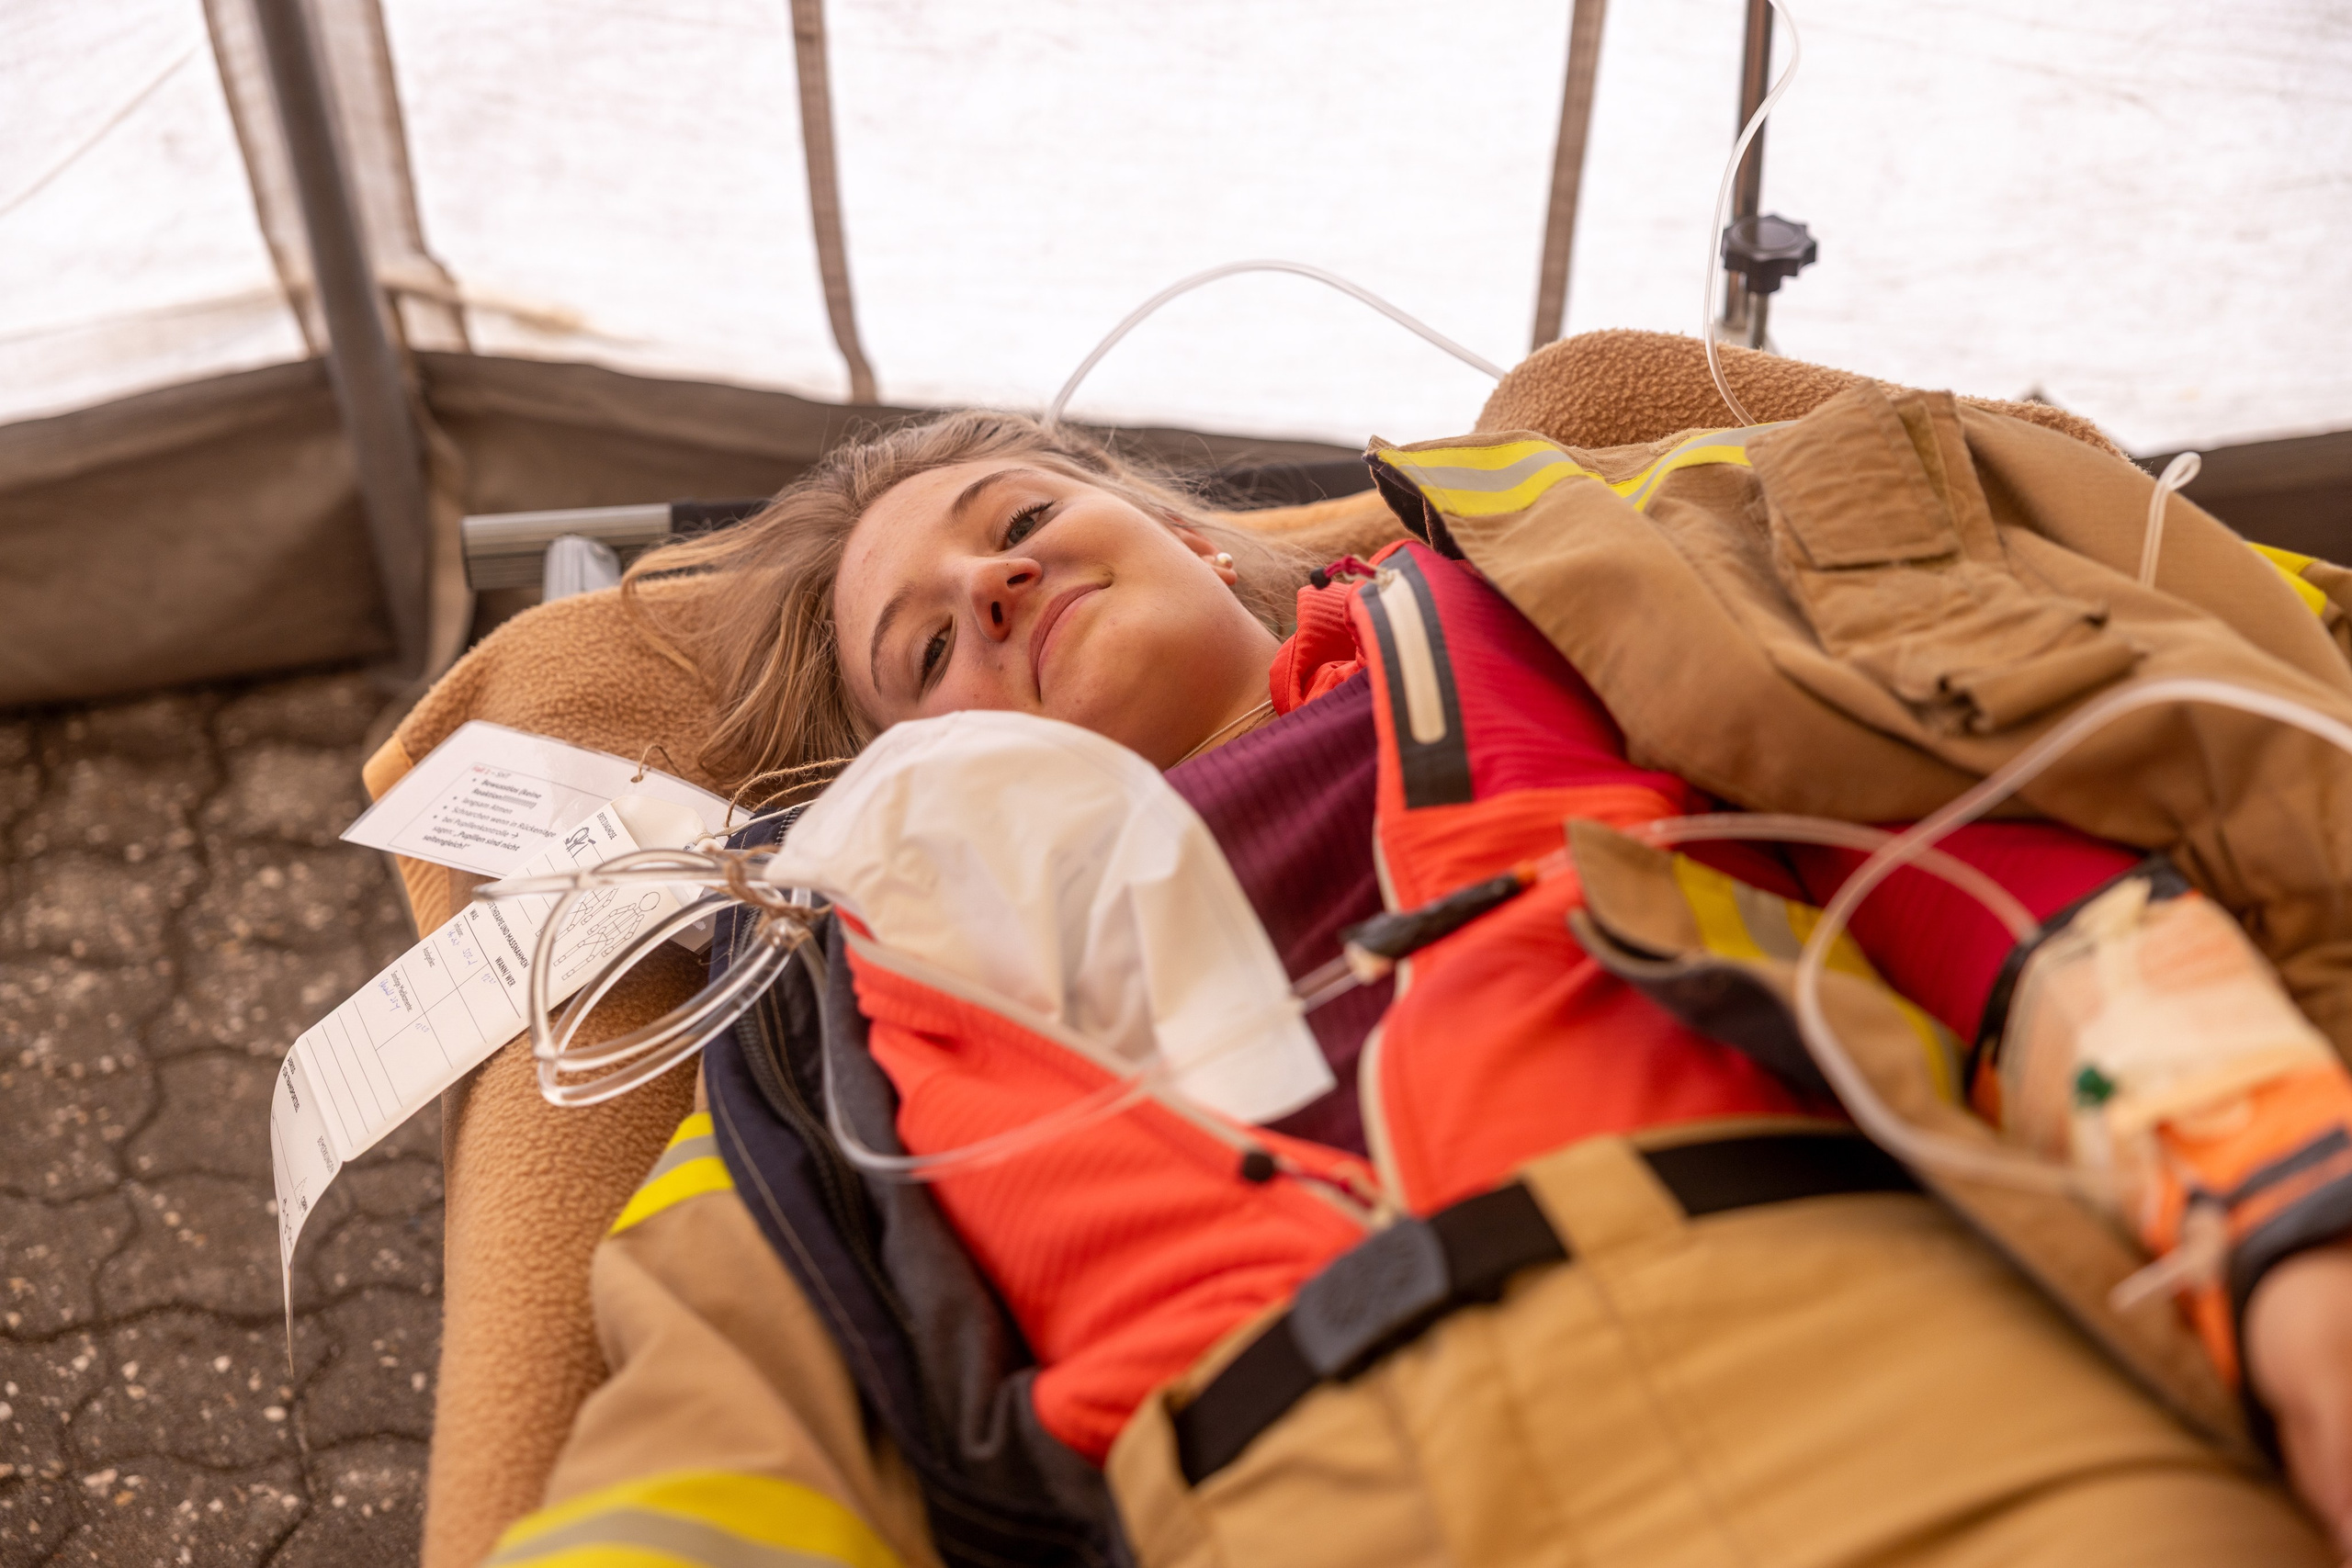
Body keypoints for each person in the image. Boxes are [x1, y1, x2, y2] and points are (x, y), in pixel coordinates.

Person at [564, 408, 2352, 1567]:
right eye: (927, 644)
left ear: (1201, 543)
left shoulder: (1551, 616)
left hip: (1894, 1377)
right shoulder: (845, 1009)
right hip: (1305, 1506)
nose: (993, 575)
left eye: (1016, 514)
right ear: (886, 785)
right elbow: (712, 1403)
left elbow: (1988, 896)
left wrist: (2286, 1224)